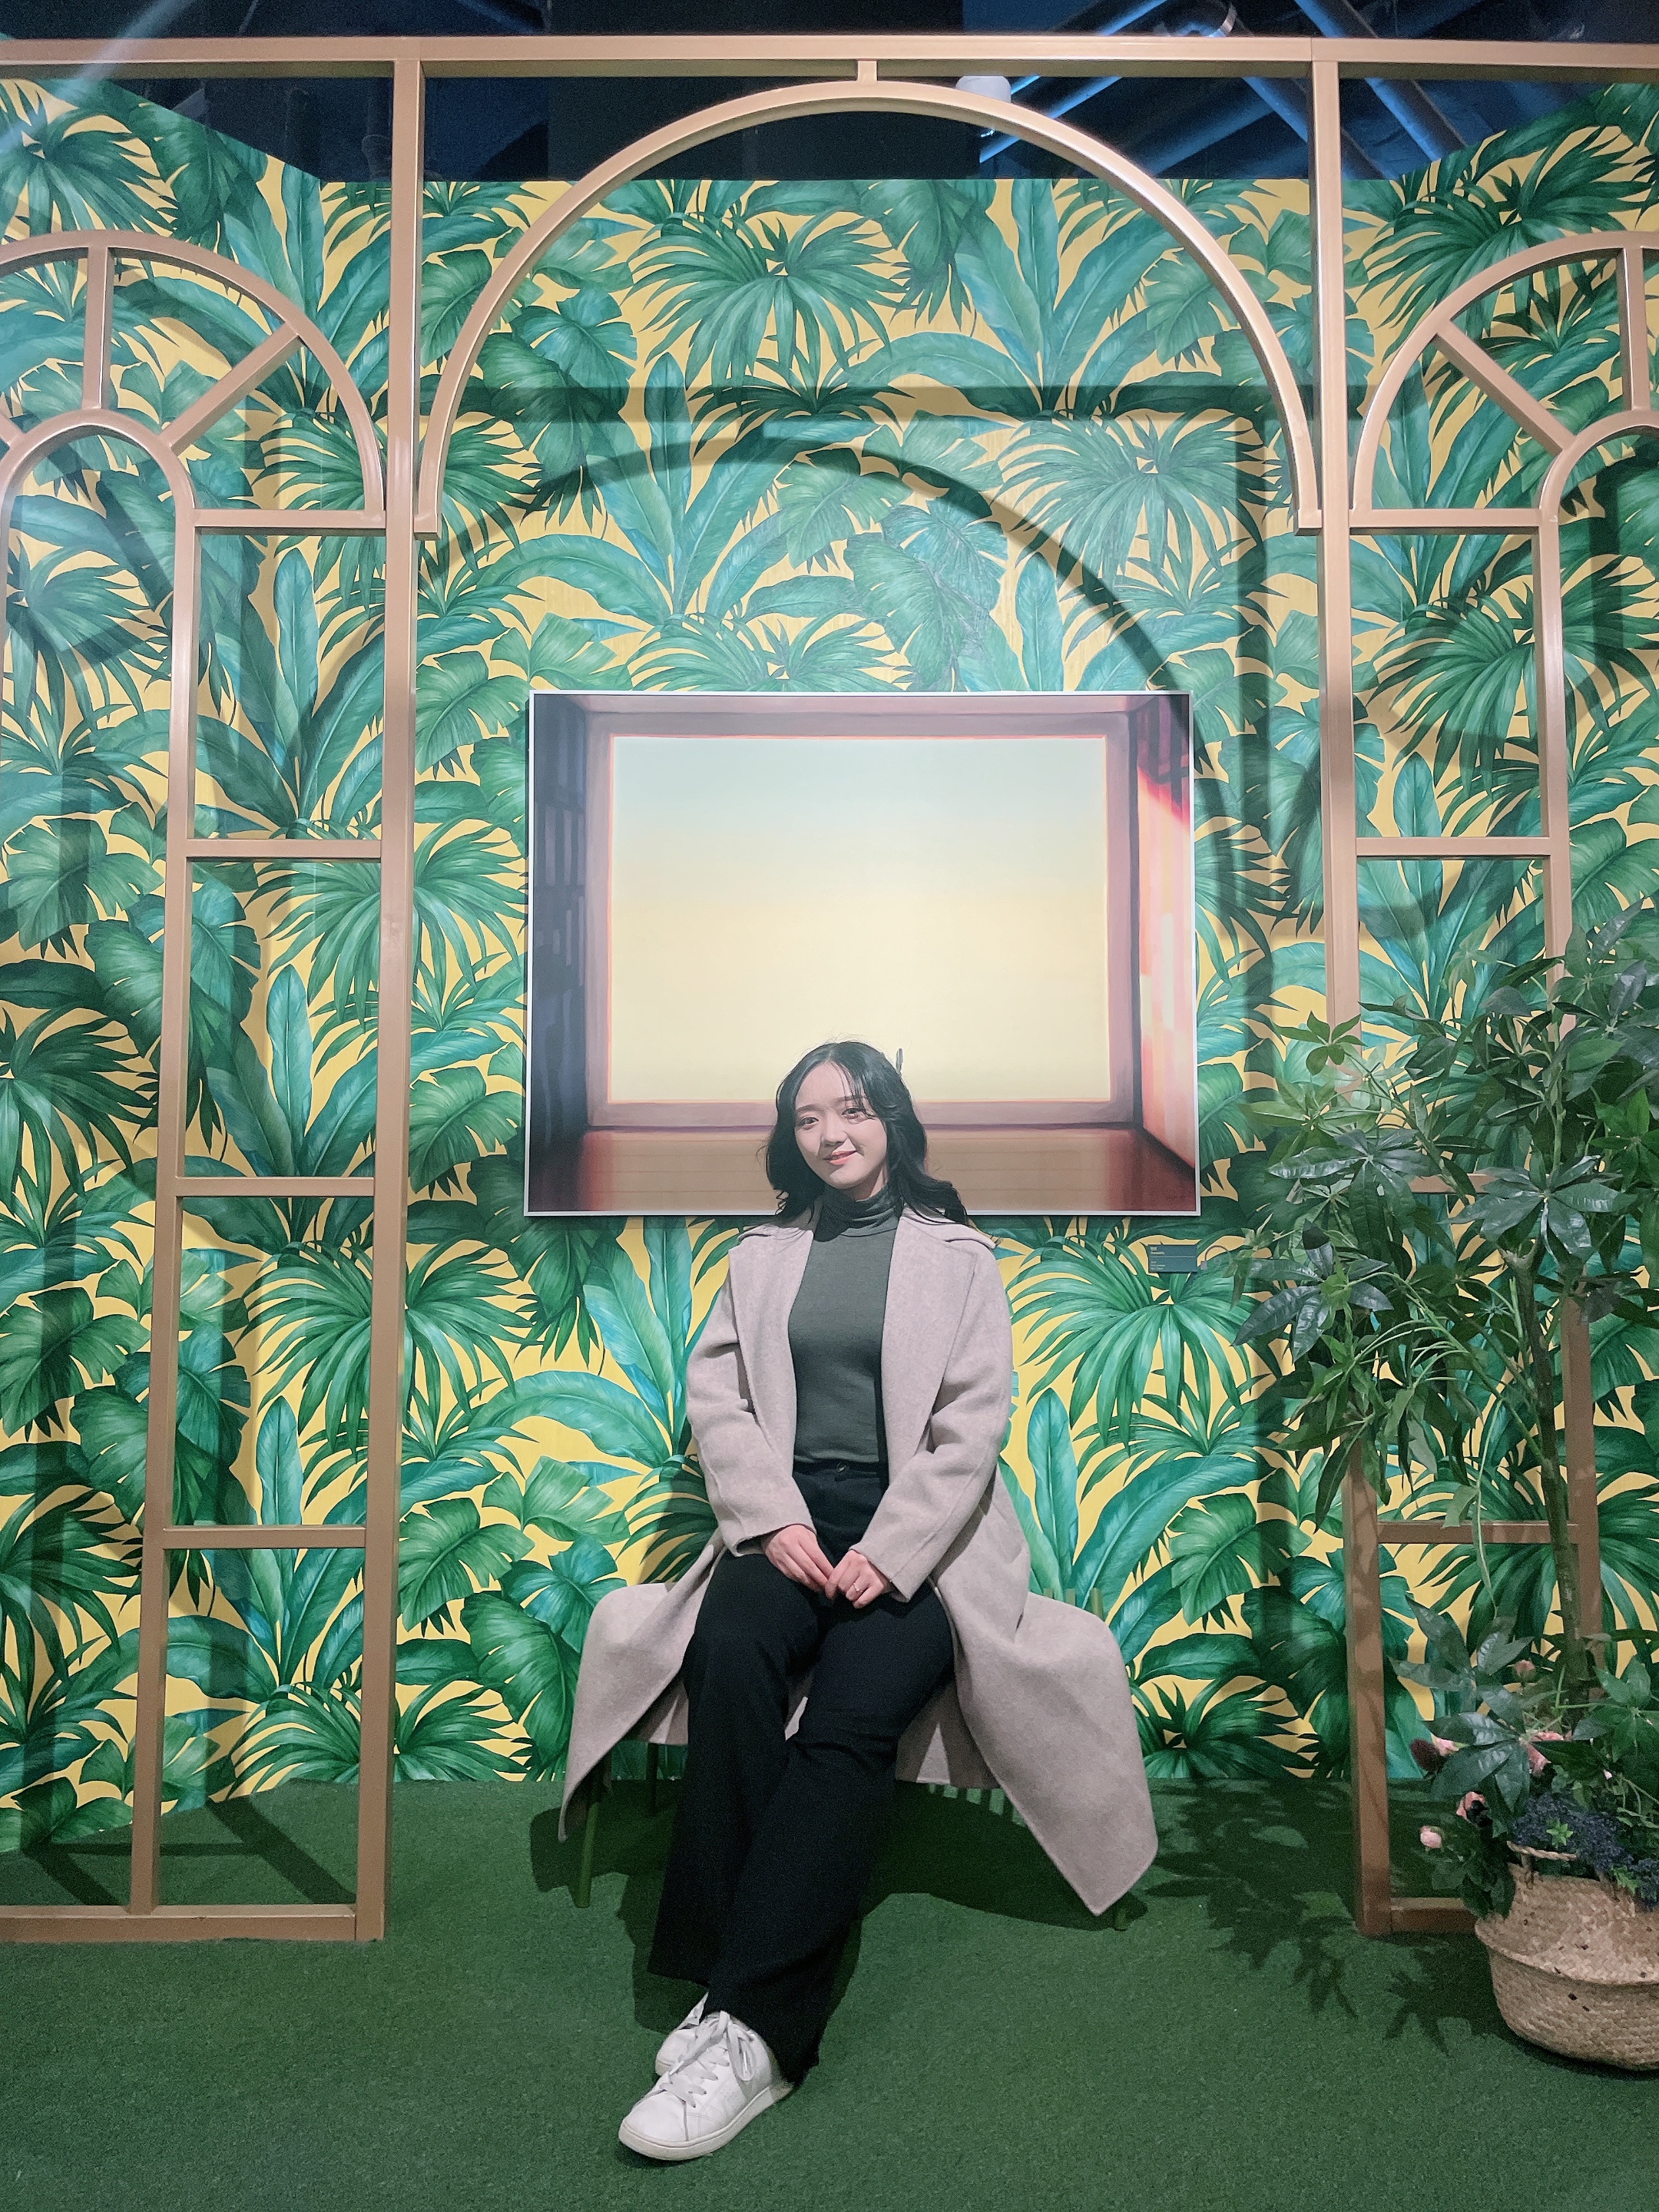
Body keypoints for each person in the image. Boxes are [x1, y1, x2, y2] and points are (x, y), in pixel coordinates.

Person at [559, 1041, 1157, 2164]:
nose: (830, 1133)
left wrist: (895, 1547)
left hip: (925, 1534)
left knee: (850, 1717)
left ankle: (757, 2035)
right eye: (807, 1117)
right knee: (729, 1657)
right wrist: (769, 1519)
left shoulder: (960, 1256)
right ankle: (724, 1973)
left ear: (891, 1116)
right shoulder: (761, 1256)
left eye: (851, 1109)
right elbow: (719, 1400)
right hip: (789, 1515)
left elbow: (972, 1425)